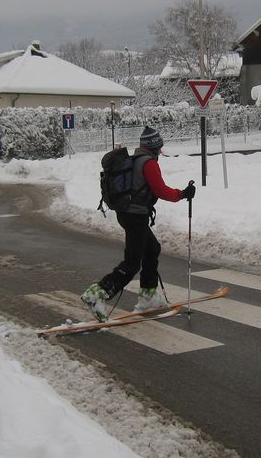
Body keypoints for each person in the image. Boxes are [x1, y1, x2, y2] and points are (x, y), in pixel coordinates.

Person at [80, 126, 196, 321]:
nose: (160, 151)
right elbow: (160, 190)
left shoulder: (136, 159)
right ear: (153, 147)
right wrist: (183, 194)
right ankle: (97, 294)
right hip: (134, 216)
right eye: (159, 147)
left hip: (130, 214)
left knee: (152, 249)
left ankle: (148, 295)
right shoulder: (149, 163)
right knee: (133, 262)